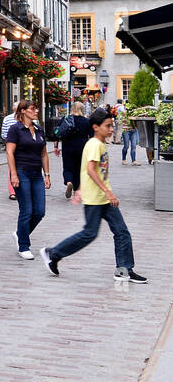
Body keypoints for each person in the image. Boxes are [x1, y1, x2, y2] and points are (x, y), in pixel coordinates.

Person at [42, 109, 146, 283]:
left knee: (122, 232)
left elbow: (88, 170)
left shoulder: (100, 143)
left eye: (112, 126)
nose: (111, 129)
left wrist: (80, 189)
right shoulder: (94, 144)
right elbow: (90, 170)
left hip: (102, 198)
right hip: (96, 199)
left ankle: (124, 269)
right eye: (108, 126)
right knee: (89, 233)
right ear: (96, 127)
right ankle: (53, 254)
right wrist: (107, 191)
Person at [5, 99, 51, 260]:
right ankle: (24, 245)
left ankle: (20, 234)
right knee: (27, 210)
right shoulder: (15, 129)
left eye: (36, 108)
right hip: (22, 171)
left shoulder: (39, 129)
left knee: (40, 211)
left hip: (37, 174)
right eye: (33, 109)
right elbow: (9, 152)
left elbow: (44, 153)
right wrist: (14, 174)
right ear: (23, 111)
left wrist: (47, 174)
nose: (36, 111)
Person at [56, 100, 90, 203]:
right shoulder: (86, 121)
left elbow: (58, 132)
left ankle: (69, 182)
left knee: (67, 167)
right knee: (79, 168)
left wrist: (56, 146)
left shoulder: (65, 119)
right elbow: (92, 135)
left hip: (67, 147)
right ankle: (77, 190)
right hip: (82, 148)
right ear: (82, 110)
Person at [0, 109, 18, 201]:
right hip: (24, 146)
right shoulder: (30, 118)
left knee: (11, 167)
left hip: (10, 145)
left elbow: (3, 134)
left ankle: (13, 192)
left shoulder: (7, 118)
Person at [119, 101, 141, 166]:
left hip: (133, 131)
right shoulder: (123, 113)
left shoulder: (135, 113)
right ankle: (123, 159)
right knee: (126, 146)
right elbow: (121, 120)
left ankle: (134, 161)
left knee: (133, 146)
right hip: (126, 131)